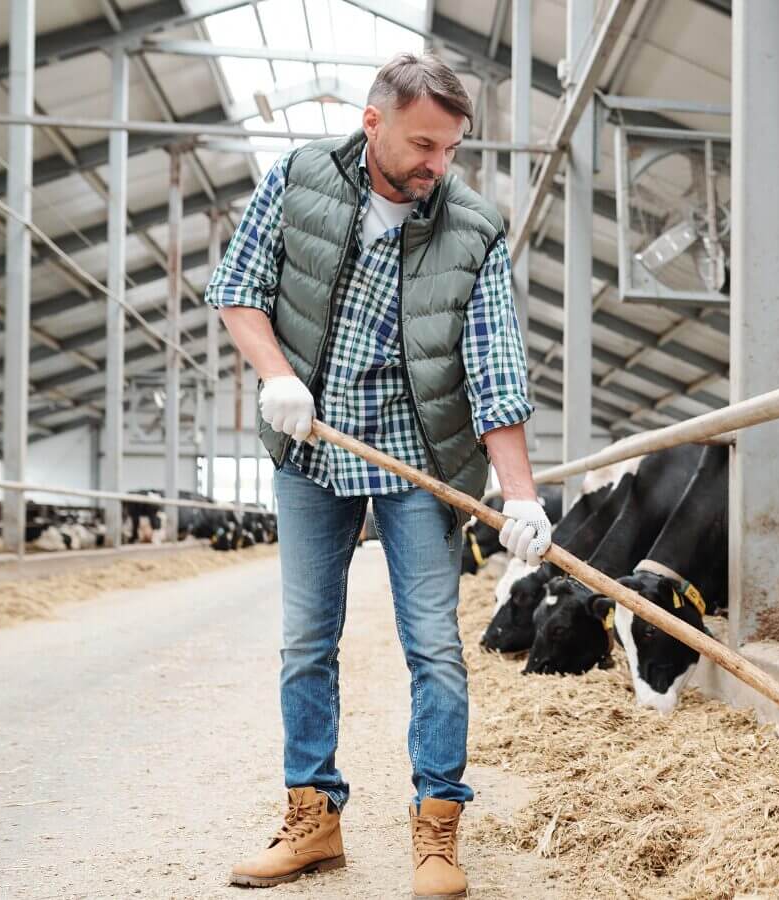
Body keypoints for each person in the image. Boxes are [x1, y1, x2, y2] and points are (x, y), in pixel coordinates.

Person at [208, 52, 553, 899]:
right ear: (374, 123)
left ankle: (438, 827)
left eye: (452, 150)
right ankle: (313, 818)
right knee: (304, 642)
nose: (440, 165)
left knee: (434, 645)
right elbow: (237, 289)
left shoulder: (473, 226)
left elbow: (495, 366)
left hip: (419, 458)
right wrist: (276, 377)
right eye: (426, 144)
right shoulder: (297, 179)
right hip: (313, 444)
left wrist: (521, 494)